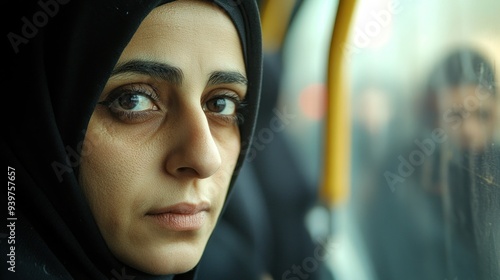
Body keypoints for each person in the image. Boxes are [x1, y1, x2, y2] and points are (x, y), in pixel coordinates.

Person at [3, 0, 262, 279]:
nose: (205, 159)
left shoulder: (232, 265)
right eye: (132, 100)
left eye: (221, 104)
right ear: (44, 117)